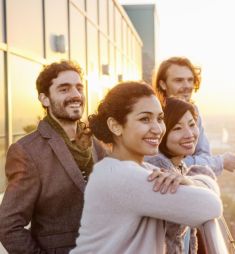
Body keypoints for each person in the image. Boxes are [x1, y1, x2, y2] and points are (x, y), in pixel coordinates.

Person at [71, 81, 222, 254]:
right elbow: (212, 205)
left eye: (160, 119)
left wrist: (189, 181)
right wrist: (197, 184)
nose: (157, 129)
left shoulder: (139, 169)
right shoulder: (126, 178)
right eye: (145, 119)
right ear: (115, 126)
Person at [0, 60, 105, 254]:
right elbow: (8, 226)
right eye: (64, 89)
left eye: (79, 88)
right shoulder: (27, 151)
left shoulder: (97, 142)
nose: (75, 95)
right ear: (45, 99)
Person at [146, 97, 216, 254]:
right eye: (177, 128)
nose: (189, 134)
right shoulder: (157, 169)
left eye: (192, 125)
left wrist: (191, 184)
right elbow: (209, 206)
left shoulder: (179, 166)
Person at [153, 56, 235, 176]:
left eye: (190, 80)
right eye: (179, 80)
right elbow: (159, 161)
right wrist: (220, 161)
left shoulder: (193, 111)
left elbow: (204, 155)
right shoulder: (153, 115)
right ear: (163, 84)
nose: (187, 86)